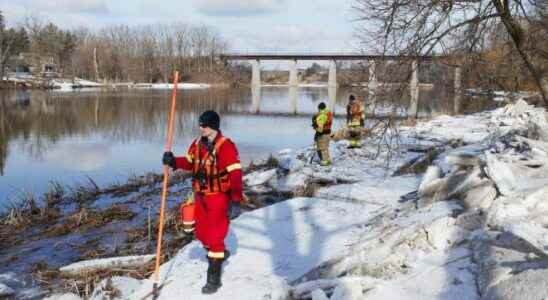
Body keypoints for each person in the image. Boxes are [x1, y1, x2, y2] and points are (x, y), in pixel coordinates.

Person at [162, 110, 243, 294]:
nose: (201, 128)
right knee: (202, 233)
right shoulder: (197, 144)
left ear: (213, 126)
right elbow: (190, 163)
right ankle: (219, 254)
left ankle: (214, 278)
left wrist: (236, 200)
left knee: (215, 237)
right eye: (200, 125)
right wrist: (174, 161)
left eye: (204, 125)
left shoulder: (226, 146)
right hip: (200, 196)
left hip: (218, 198)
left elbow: (236, 174)